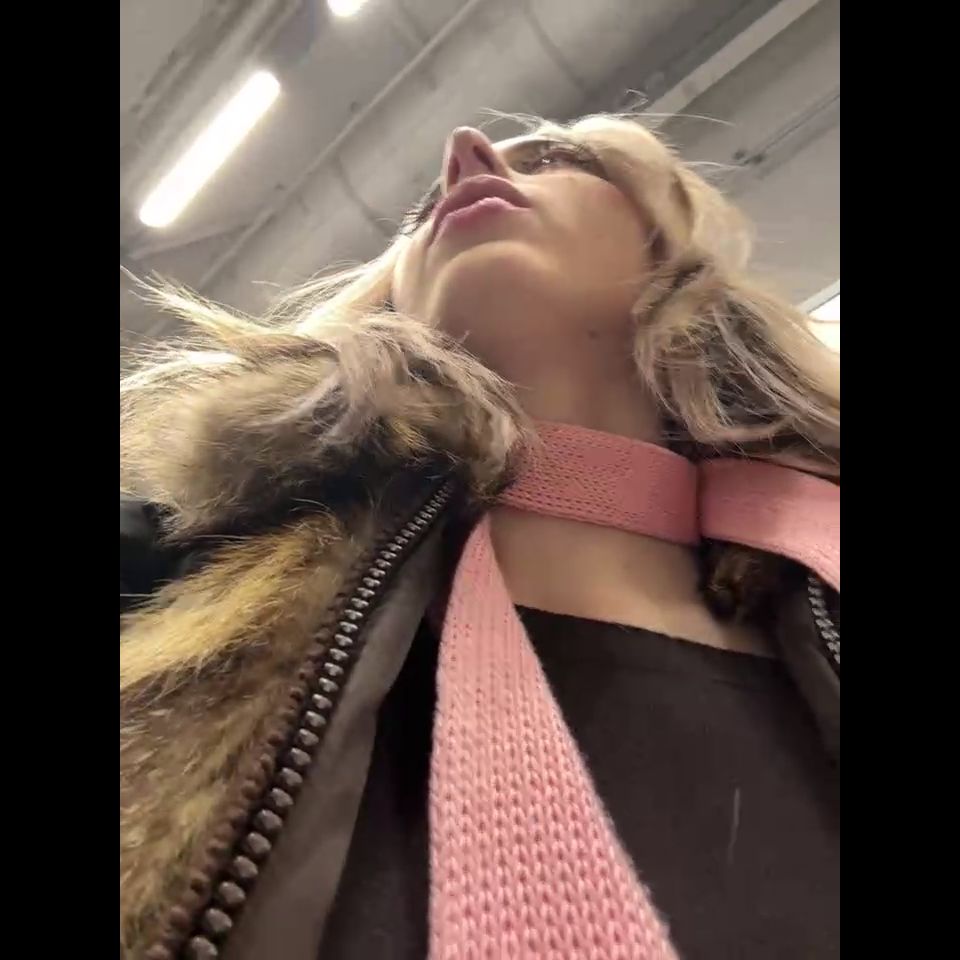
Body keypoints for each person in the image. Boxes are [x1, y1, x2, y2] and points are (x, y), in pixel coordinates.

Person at [120, 116, 840, 960]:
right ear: (392, 304)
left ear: (672, 253)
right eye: (419, 208)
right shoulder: (171, 569)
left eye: (560, 160)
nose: (464, 152)